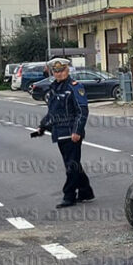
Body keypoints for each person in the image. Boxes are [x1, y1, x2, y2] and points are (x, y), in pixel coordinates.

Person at [31, 58, 94, 209]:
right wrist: (42, 127)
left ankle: (69, 196)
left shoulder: (74, 87)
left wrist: (77, 130)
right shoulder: (54, 88)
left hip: (71, 133)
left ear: (68, 70)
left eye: (62, 71)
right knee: (73, 164)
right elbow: (52, 112)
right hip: (59, 132)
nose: (59, 74)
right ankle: (85, 191)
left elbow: (82, 111)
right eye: (56, 71)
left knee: (71, 166)